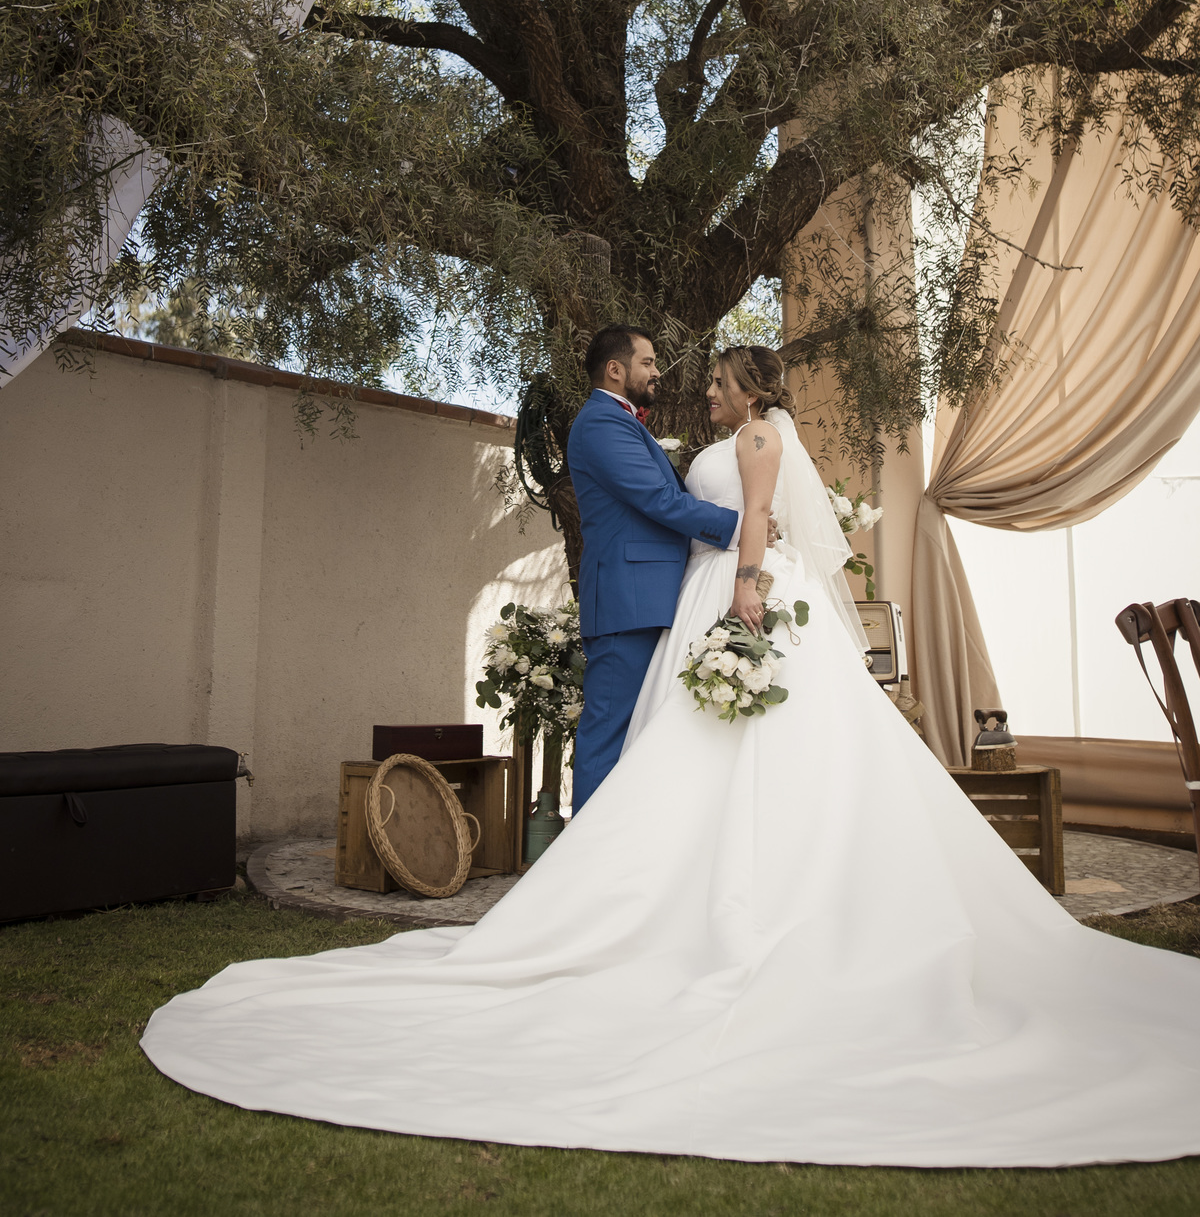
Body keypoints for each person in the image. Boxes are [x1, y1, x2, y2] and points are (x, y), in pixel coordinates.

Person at [141, 346, 1200, 1168]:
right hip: (714, 589)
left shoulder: (758, 438)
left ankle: (741, 901)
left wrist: (744, 585)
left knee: (747, 751)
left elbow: (748, 519)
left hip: (735, 593)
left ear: (748, 391)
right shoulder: (725, 433)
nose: (702, 395)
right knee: (701, 757)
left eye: (715, 386)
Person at [566, 324, 739, 809]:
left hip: (647, 597)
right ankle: (583, 869)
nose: (657, 371)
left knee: (636, 732)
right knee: (609, 730)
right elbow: (658, 499)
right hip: (628, 600)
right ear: (615, 370)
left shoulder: (622, 420)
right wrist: (740, 525)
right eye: (648, 362)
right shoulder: (602, 421)